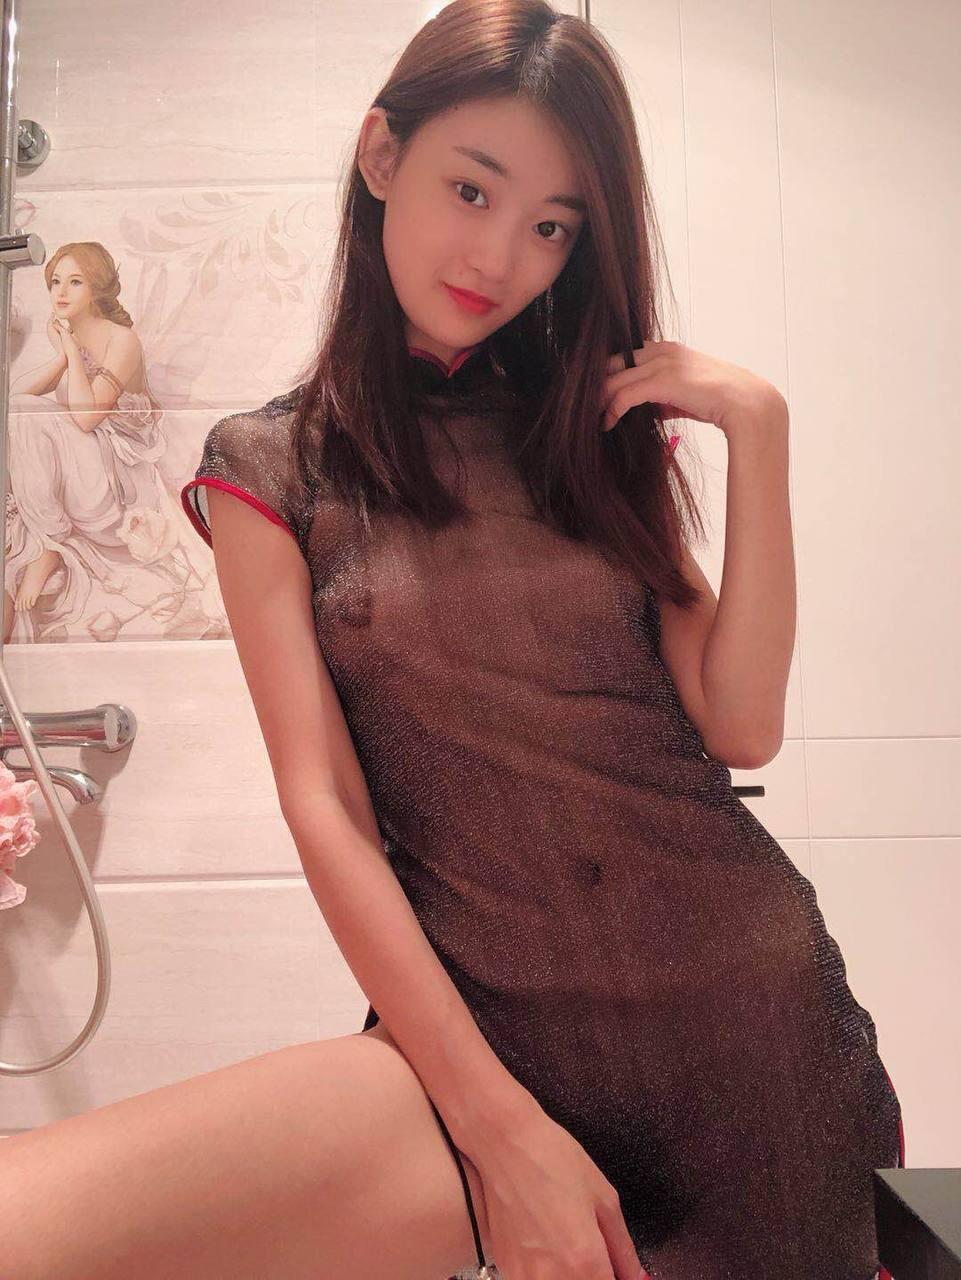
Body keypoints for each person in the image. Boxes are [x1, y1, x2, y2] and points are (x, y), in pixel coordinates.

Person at [0, 3, 902, 1279]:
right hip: (483, 1055)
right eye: (471, 190)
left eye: (551, 226)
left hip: (760, 1050)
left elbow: (741, 722)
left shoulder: (591, 436)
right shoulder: (270, 467)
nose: (500, 255)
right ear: (383, 157)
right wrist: (500, 1127)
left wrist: (761, 430)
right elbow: (326, 807)